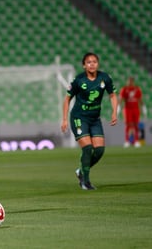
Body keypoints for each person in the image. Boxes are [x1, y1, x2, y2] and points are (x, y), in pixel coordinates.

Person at [61, 52, 118, 190]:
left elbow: (112, 95)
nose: (92, 64)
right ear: (84, 65)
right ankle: (85, 182)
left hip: (94, 119)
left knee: (99, 151)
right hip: (79, 118)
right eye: (89, 62)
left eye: (94, 62)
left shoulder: (105, 78)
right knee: (87, 148)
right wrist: (64, 119)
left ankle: (81, 171)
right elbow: (67, 99)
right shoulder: (78, 80)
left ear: (98, 64)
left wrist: (114, 112)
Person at [118, 76, 146, 148]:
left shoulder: (137, 89)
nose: (130, 82)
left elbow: (140, 99)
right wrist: (118, 107)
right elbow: (121, 99)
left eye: (131, 81)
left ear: (133, 82)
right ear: (127, 81)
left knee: (136, 125)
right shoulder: (124, 89)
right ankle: (127, 141)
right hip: (127, 109)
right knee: (128, 125)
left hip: (135, 109)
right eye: (129, 81)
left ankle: (136, 141)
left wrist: (143, 107)